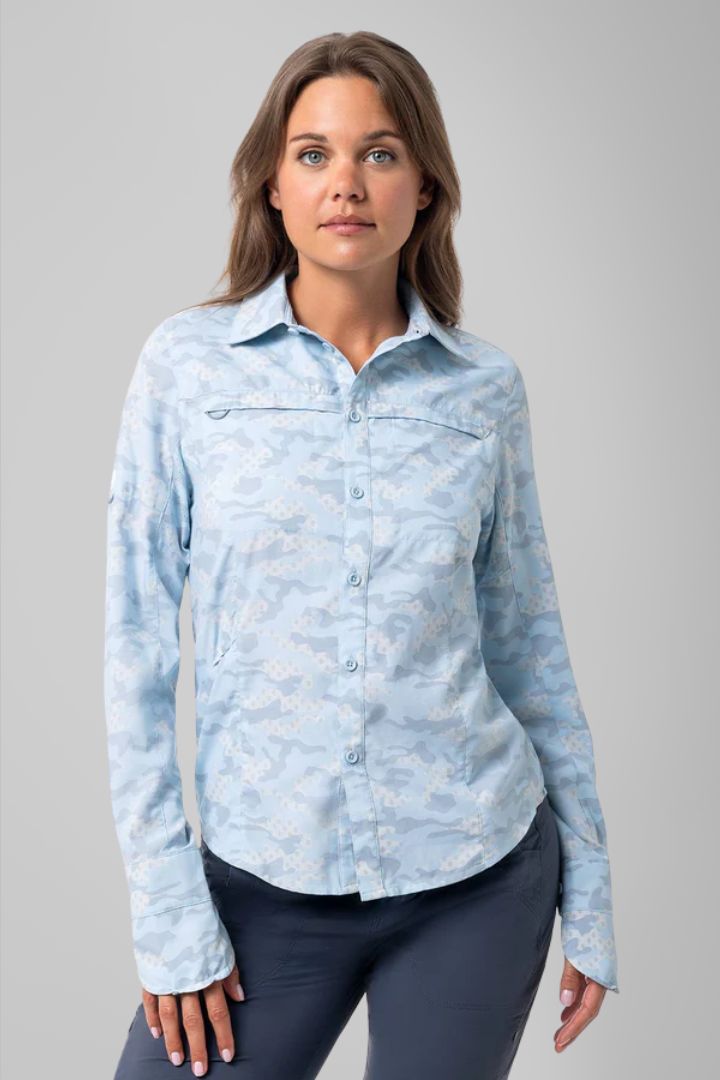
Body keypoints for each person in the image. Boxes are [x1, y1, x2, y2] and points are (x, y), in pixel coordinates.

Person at [105, 30, 619, 1080]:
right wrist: (166, 909)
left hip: (476, 874)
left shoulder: (483, 391)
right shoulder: (188, 371)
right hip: (262, 879)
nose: (346, 182)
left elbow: (528, 644)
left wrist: (593, 890)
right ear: (272, 185)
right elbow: (135, 651)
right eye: (313, 154)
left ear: (424, 187)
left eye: (380, 153)